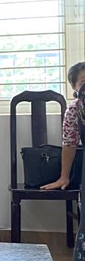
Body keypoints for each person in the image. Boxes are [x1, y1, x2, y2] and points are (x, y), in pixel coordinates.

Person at [40, 60, 85, 189]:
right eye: (83, 83)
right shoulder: (74, 110)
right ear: (75, 87)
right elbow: (69, 143)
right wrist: (64, 177)